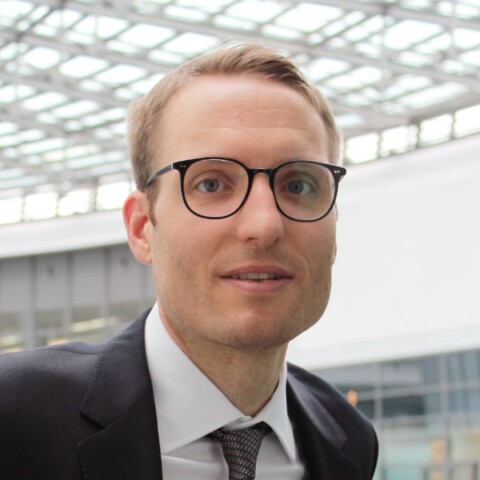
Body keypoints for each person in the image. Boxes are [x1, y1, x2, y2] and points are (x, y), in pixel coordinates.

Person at [0, 43, 378, 479]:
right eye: (213, 183)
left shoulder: (347, 440)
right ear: (142, 227)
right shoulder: (14, 418)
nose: (264, 224)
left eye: (299, 185)